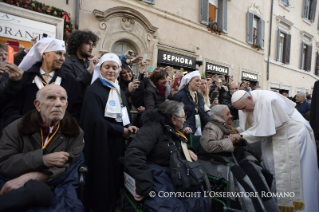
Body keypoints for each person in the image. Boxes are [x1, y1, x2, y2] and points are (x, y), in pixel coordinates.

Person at [0, 84, 85, 212]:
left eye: (62, 99)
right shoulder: (15, 128)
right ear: (38, 105)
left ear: (66, 105)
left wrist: (33, 176)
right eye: (51, 98)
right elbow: (4, 164)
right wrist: (43, 159)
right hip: (14, 184)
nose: (58, 104)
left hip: (55, 186)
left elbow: (68, 168)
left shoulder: (76, 133)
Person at [231, 90, 319, 212]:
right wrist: (237, 131)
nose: (244, 111)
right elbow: (252, 126)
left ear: (250, 98)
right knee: (274, 172)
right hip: (277, 138)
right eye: (241, 110)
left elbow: (264, 130)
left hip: (294, 137)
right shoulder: (246, 104)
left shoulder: (268, 100)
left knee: (299, 176)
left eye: (244, 108)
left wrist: (241, 136)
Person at [125, 101, 210, 211]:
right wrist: (144, 184)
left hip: (174, 173)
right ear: (174, 119)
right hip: (156, 175)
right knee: (172, 207)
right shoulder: (153, 128)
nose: (185, 120)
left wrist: (187, 149)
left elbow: (176, 142)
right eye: (184, 117)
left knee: (198, 200)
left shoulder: (171, 128)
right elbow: (134, 153)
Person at [80, 53, 138, 212]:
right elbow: (95, 121)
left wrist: (129, 125)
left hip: (118, 140)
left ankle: (113, 202)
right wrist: (121, 130)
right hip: (102, 142)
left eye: (115, 67)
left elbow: (123, 110)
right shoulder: (94, 90)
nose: (111, 71)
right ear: (101, 69)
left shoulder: (117, 88)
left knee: (114, 174)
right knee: (103, 177)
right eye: (107, 67)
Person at [199, 105, 279, 212]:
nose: (231, 116)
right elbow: (208, 146)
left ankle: (268, 207)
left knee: (257, 172)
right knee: (246, 179)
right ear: (218, 116)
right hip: (225, 161)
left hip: (238, 157)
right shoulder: (211, 126)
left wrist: (238, 140)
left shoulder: (228, 127)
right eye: (227, 114)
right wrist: (230, 140)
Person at [3, 38, 83, 127]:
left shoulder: (70, 81)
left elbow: (75, 110)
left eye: (64, 55)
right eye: (58, 53)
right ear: (44, 54)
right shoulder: (25, 78)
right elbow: (11, 106)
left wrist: (65, 128)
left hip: (58, 135)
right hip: (26, 132)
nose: (62, 59)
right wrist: (20, 125)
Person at [173, 71, 210, 136]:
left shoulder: (200, 96)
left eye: (200, 81)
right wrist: (184, 127)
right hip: (186, 130)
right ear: (189, 81)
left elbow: (202, 113)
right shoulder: (179, 96)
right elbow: (175, 115)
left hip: (199, 127)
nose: (199, 83)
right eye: (197, 81)